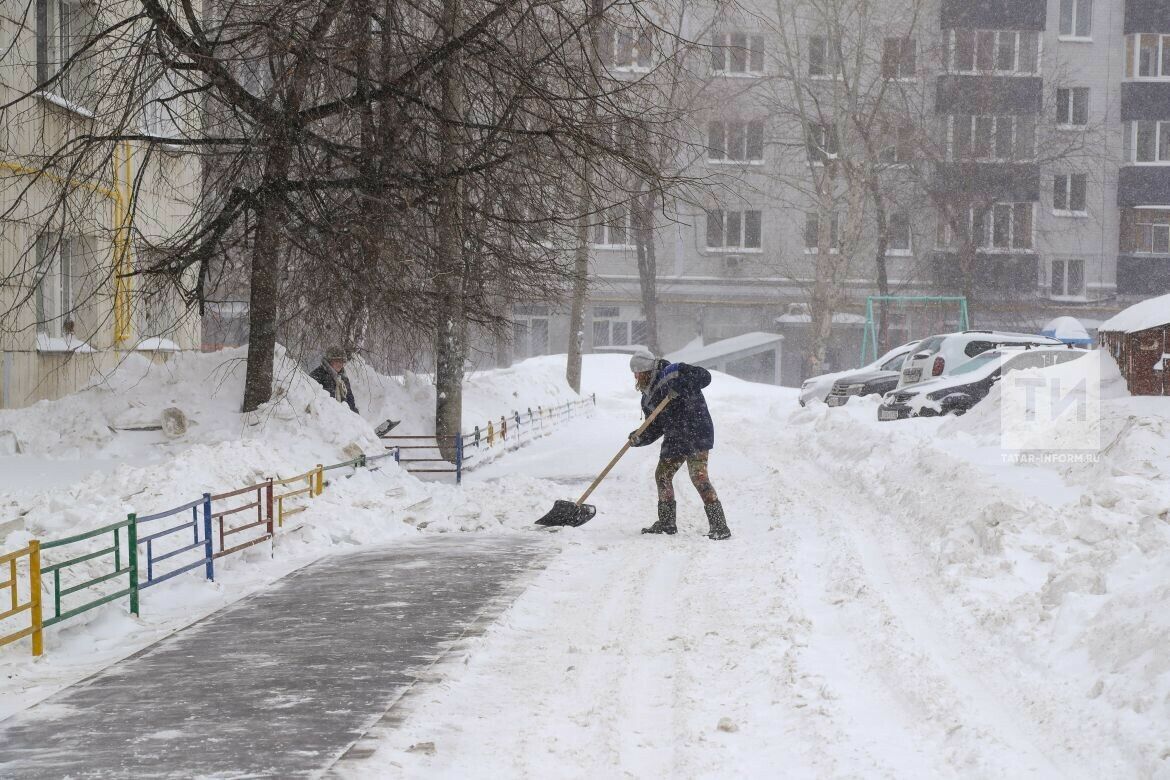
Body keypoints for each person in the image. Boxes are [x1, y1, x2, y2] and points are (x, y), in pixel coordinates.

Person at [627, 348, 731, 540]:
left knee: (698, 477)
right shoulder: (648, 397)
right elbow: (655, 426)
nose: (635, 376)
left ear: (646, 370)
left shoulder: (674, 372)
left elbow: (704, 376)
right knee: (663, 475)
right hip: (675, 438)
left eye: (638, 372)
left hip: (696, 431)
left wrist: (682, 385)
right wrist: (639, 437)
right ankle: (667, 523)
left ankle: (720, 526)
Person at [310, 346, 358, 413]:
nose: (340, 364)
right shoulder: (317, 375)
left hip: (345, 418)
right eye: (337, 361)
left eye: (342, 361)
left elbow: (350, 402)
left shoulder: (343, 378)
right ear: (329, 361)